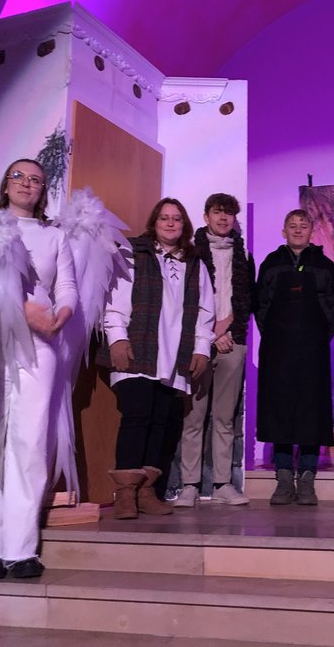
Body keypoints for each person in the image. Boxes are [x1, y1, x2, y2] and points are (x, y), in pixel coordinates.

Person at [0, 159, 78, 580]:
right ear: (5, 184)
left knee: (30, 441)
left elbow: (66, 285)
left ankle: (20, 547)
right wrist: (19, 308)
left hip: (41, 344)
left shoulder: (54, 235)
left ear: (43, 189)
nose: (27, 184)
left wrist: (62, 314)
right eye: (19, 176)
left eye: (36, 179)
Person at [104, 198, 214, 520]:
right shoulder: (133, 253)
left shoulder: (194, 263)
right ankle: (126, 492)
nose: (170, 223)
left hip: (173, 355)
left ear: (184, 225)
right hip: (138, 349)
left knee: (161, 422)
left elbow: (205, 311)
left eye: (176, 218)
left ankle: (147, 491)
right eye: (164, 218)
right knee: (137, 417)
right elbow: (115, 299)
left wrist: (201, 349)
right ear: (154, 222)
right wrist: (117, 338)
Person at [256, 209, 334, 505]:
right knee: (279, 411)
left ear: (311, 231)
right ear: (284, 231)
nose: (297, 230)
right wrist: (275, 333)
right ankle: (283, 477)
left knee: (311, 411)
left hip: (312, 350)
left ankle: (307, 478)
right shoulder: (271, 263)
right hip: (277, 349)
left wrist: (317, 335)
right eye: (292, 226)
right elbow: (261, 305)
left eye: (302, 226)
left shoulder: (325, 266)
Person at [175, 193, 255, 507]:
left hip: (233, 341)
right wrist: (209, 334)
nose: (223, 218)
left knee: (225, 417)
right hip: (198, 342)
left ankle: (222, 483)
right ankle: (189, 485)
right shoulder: (191, 252)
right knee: (194, 416)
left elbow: (246, 299)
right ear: (206, 216)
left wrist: (226, 330)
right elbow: (184, 300)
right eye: (217, 212)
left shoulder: (242, 253)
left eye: (228, 213)